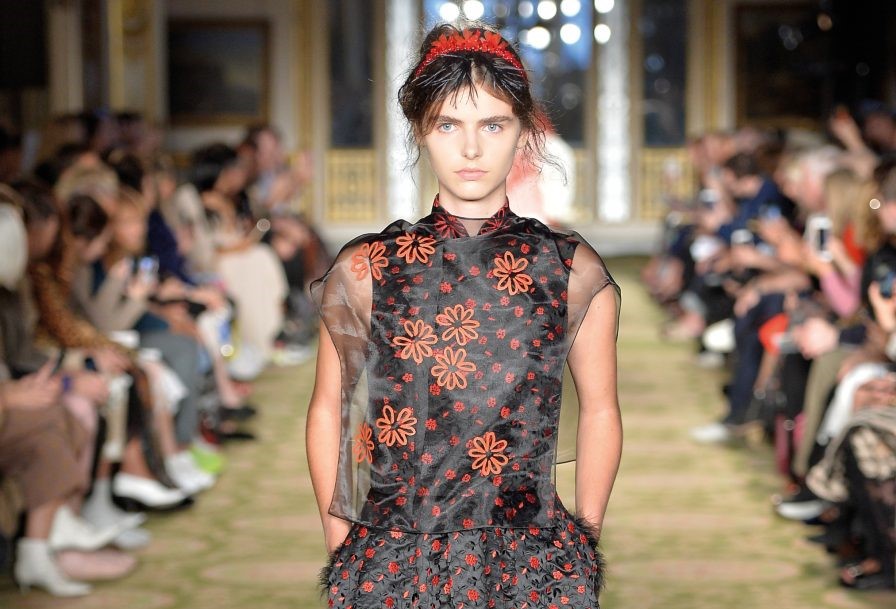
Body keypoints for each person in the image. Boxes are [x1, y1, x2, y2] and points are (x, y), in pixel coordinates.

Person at [306, 22, 622, 608]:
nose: (471, 149)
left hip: (530, 555)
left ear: (523, 130)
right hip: (393, 549)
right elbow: (331, 407)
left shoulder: (567, 270)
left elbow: (600, 407)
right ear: (420, 131)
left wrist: (585, 539)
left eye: (493, 125)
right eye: (448, 124)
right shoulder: (368, 268)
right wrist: (339, 540)